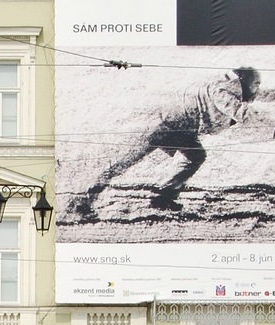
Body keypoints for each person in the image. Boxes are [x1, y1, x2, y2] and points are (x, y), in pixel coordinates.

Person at [68, 67, 267, 220]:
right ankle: (81, 200)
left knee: (195, 156)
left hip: (178, 127)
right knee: (124, 162)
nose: (257, 89)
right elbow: (242, 114)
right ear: (244, 81)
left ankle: (163, 198)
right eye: (256, 83)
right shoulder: (224, 91)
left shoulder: (225, 86)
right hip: (161, 124)